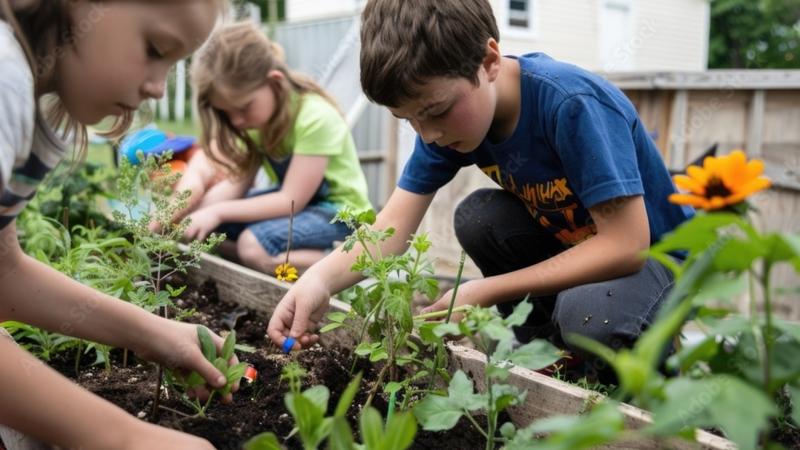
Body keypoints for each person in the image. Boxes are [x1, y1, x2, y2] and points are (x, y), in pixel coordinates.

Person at [267, 0, 693, 379]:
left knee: (589, 315)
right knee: (479, 217)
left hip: (658, 264)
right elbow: (391, 228)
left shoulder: (571, 105)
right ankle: (550, 358)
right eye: (408, 119)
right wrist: (318, 280)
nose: (427, 133)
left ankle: (636, 380)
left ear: (489, 60)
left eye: (435, 110)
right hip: (581, 252)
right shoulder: (445, 125)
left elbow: (627, 245)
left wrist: (484, 289)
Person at [0, 1, 233, 449]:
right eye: (154, 48)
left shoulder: (30, 95)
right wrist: (121, 437)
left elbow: (1, 270)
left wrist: (151, 334)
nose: (159, 88)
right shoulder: (5, 78)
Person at [171, 22, 371, 275]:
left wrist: (216, 211)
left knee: (253, 246)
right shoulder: (257, 120)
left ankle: (346, 259)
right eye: (227, 113)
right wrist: (193, 214)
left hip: (339, 214)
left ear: (274, 82)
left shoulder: (315, 117)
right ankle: (269, 265)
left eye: (243, 107)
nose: (236, 121)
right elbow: (239, 183)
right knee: (214, 230)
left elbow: (291, 200)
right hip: (299, 207)